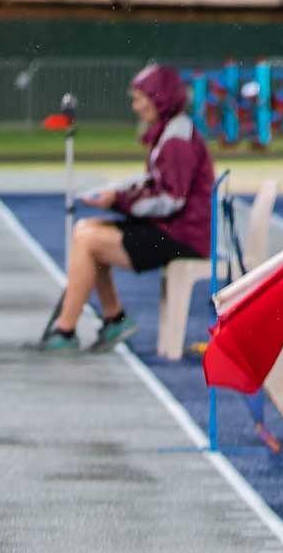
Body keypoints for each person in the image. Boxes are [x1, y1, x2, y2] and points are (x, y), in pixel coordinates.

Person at [37, 63, 215, 353]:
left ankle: (67, 329)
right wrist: (118, 191)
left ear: (160, 98)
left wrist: (118, 200)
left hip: (183, 237)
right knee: (86, 229)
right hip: (175, 229)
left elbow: (171, 199)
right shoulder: (170, 132)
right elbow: (155, 182)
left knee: (89, 240)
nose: (135, 106)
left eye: (139, 98)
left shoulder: (176, 140)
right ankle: (112, 318)